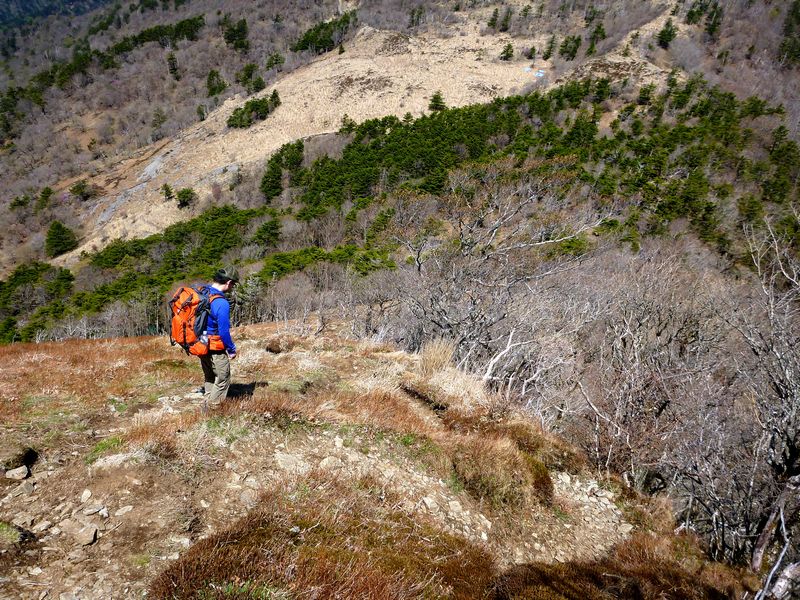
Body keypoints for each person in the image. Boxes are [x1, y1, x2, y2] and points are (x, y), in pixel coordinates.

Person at [200, 268, 239, 408]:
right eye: (233, 284)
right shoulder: (221, 303)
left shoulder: (203, 292)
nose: (232, 287)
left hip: (201, 341)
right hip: (214, 343)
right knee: (223, 377)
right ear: (228, 282)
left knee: (210, 374)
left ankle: (207, 403)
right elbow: (223, 331)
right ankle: (214, 409)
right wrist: (231, 349)